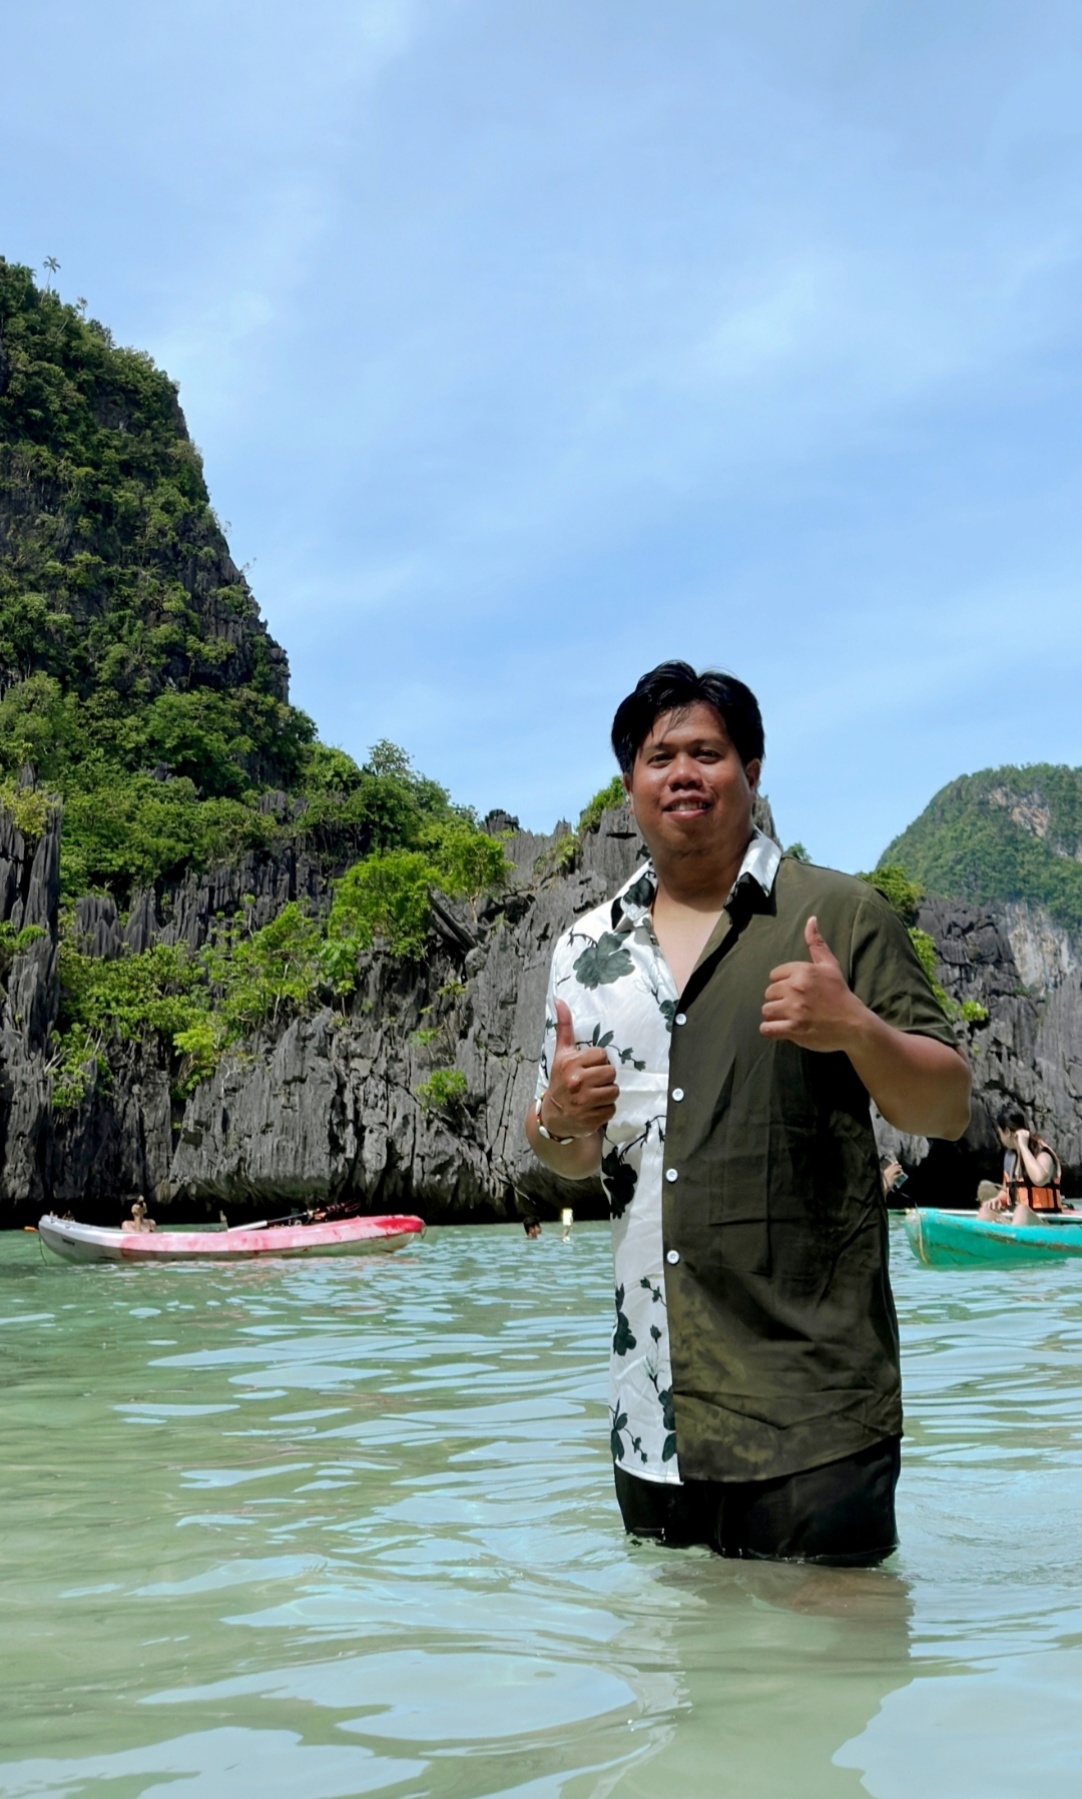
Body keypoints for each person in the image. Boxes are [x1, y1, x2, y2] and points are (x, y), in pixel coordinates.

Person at [526, 661, 971, 1566]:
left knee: (835, 1650)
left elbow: (948, 1106)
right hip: (652, 1416)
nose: (682, 774)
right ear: (629, 783)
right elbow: (569, 1156)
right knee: (691, 1655)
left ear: (752, 769)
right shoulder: (584, 949)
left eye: (708, 752)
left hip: (814, 1409)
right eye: (660, 757)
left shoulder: (838, 914)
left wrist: (854, 1027)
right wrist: (558, 1116)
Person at [976, 1108, 1062, 1222]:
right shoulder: (1010, 1157)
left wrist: (1023, 1147)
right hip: (1017, 1222)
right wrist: (998, 1199)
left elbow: (1039, 1179)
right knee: (985, 1212)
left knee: (1022, 1211)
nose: (1000, 1137)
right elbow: (1006, 1190)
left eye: (1000, 1133)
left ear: (1007, 1132)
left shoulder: (1043, 1153)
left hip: (1045, 1222)